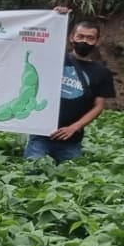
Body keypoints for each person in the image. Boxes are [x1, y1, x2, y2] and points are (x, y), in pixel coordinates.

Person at [25, 13, 115, 163]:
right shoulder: (54, 58)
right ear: (71, 37)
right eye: (80, 36)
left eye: (90, 38)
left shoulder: (102, 72)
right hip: (40, 135)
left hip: (72, 140)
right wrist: (54, 16)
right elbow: (37, 42)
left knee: (71, 181)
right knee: (33, 175)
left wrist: (75, 127)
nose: (84, 41)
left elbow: (98, 106)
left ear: (97, 41)